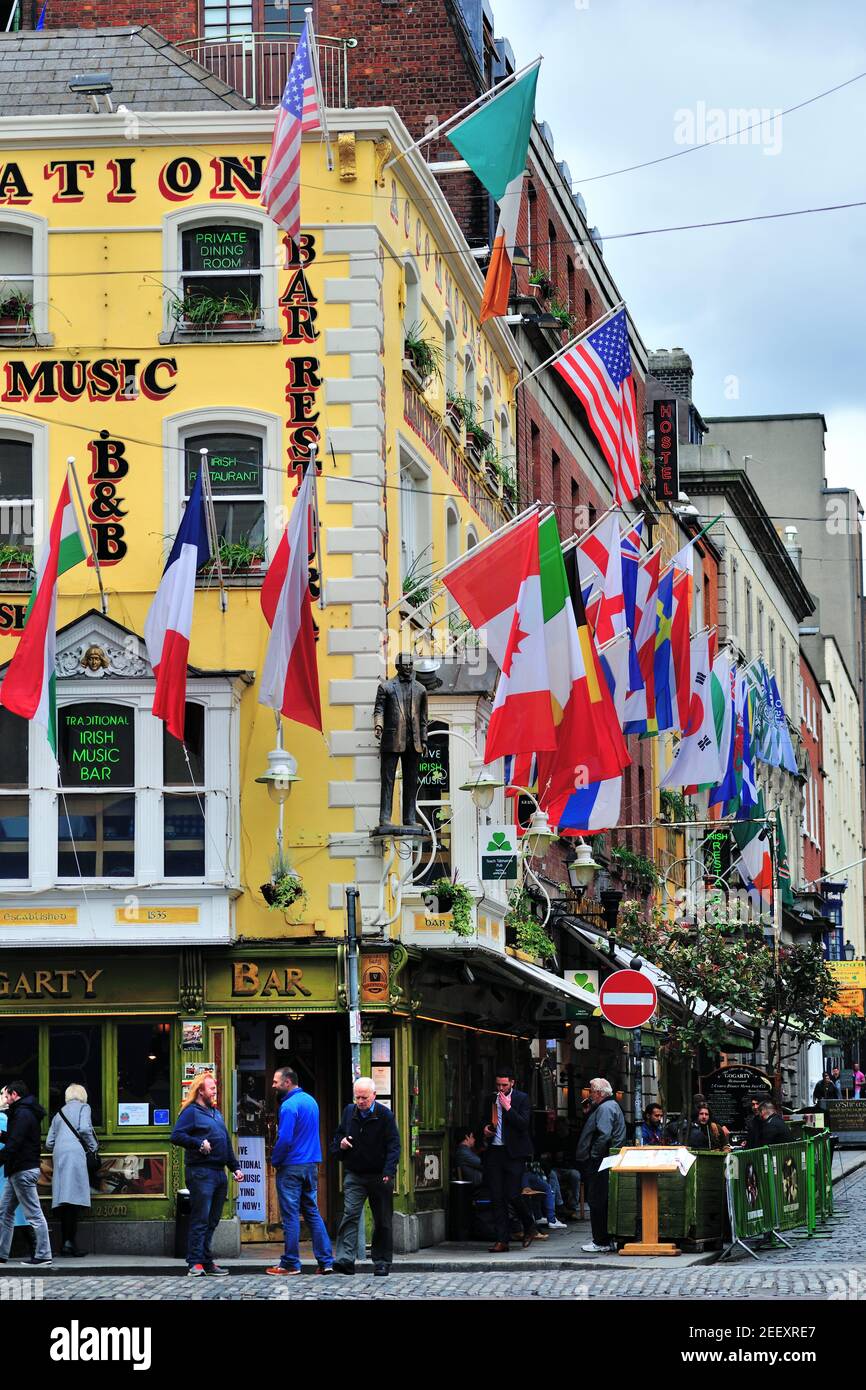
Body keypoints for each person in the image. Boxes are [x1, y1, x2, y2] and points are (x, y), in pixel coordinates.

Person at [170, 1072, 242, 1277]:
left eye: (215, 1088)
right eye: (212, 1088)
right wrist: (198, 1143)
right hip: (201, 1172)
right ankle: (195, 1263)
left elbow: (226, 1143)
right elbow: (176, 1136)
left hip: (219, 1173)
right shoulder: (191, 1112)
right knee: (200, 1219)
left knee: (212, 1221)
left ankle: (206, 1260)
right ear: (201, 1090)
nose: (215, 1091)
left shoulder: (215, 1113)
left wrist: (235, 1167)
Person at [265, 1067, 333, 1277]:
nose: (273, 1085)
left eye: (276, 1082)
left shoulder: (288, 1106)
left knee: (291, 1215)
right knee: (312, 1212)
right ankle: (326, 1261)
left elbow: (285, 1139)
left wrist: (275, 1160)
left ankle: (291, 1263)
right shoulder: (311, 1101)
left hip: (292, 1165)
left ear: (287, 1082)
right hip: (311, 1164)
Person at [331, 1076, 400, 1277]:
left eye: (364, 1098)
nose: (360, 1102)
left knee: (382, 1220)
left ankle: (381, 1261)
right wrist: (341, 1144)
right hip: (355, 1174)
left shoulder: (385, 1115)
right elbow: (338, 1136)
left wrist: (389, 1172)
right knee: (350, 1214)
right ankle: (345, 1260)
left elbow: (394, 1146)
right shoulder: (348, 1112)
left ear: (374, 1096)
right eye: (357, 1097)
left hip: (379, 1175)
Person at [480, 1067, 536, 1254]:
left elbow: (523, 1125)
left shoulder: (521, 1099)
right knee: (497, 1196)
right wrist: (486, 1129)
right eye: (498, 1085)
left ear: (512, 1083)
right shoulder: (490, 1099)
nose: (501, 1088)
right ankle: (502, 1240)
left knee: (512, 1194)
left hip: (514, 1153)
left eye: (504, 1085)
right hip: (495, 1151)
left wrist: (508, 1108)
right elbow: (481, 1120)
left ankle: (529, 1224)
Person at [373, 652, 428, 830]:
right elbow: (379, 709)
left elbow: (424, 719)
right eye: (405, 665)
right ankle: (385, 818)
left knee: (411, 782)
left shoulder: (421, 689)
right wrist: (378, 726)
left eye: (411, 664)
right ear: (397, 666)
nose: (408, 668)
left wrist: (424, 740)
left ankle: (409, 817)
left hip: (414, 741)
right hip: (392, 739)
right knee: (388, 780)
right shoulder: (386, 687)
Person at [0, 1079, 52, 1267]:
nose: (5, 1099)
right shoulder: (23, 1112)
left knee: (34, 1215)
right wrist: (2, 1136)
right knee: (4, 1212)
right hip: (18, 1170)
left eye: (7, 1095)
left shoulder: (22, 1114)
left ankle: (44, 1255)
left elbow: (16, 1143)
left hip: (22, 1170)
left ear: (15, 1095)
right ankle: (1, 1254)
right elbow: (16, 1138)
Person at [45, 1083, 98, 1257]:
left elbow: (48, 1143)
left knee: (64, 1199)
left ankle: (66, 1243)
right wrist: (93, 1146)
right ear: (83, 1095)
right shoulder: (84, 1107)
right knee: (73, 1201)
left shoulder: (59, 1113)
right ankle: (69, 1243)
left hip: (59, 1155)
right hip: (75, 1154)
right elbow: (84, 1128)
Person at [576, 1078, 626, 1254]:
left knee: (597, 1200)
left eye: (591, 1091)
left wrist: (594, 1156)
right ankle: (604, 1239)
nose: (590, 1094)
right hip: (605, 1158)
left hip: (602, 1160)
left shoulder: (605, 1108)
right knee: (601, 1200)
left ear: (598, 1093)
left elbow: (603, 1135)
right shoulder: (608, 1106)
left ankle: (601, 1240)